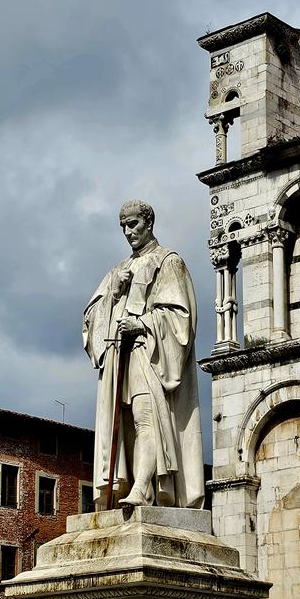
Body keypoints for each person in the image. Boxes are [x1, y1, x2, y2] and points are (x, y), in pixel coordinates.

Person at [83, 199, 205, 510]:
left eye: (133, 224)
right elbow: (90, 320)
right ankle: (134, 487)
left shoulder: (168, 262)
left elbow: (181, 317)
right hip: (118, 359)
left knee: (145, 418)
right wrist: (114, 294)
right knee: (126, 427)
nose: (128, 232)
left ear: (148, 223)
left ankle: (141, 488)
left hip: (147, 354)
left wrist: (142, 324)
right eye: (123, 226)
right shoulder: (117, 271)